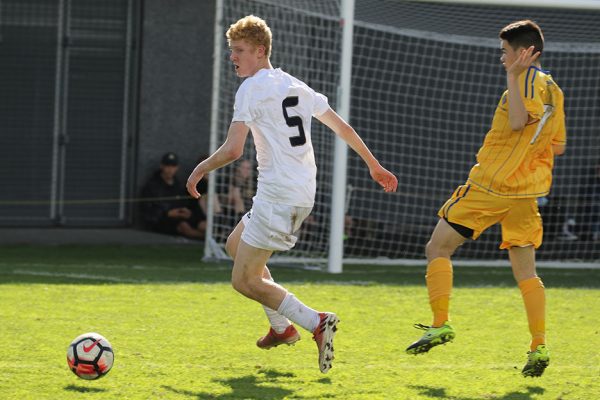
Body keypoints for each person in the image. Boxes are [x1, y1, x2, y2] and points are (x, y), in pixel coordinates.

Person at [186, 15, 397, 373]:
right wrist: (374, 164)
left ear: (259, 50)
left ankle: (315, 321)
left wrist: (200, 168)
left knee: (243, 280)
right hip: (299, 194)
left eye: (238, 51)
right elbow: (341, 127)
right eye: (231, 51)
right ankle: (281, 328)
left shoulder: (251, 88)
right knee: (235, 246)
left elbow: (234, 149)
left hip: (278, 196)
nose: (232, 58)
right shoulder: (295, 85)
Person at [405, 20, 566, 378]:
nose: (502, 59)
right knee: (526, 272)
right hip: (526, 194)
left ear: (526, 53)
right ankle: (538, 345)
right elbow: (558, 145)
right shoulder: (554, 89)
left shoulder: (522, 79)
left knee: (438, 248)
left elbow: (517, 122)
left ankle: (441, 323)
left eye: (506, 53)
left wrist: (513, 74)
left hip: (490, 187)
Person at [141, 152, 206, 239]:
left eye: (173, 166)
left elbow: (186, 203)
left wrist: (187, 212)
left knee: (201, 225)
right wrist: (167, 214)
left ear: (177, 168)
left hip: (182, 217)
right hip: (162, 221)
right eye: (167, 166)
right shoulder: (152, 186)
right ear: (162, 166)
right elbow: (147, 210)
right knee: (184, 227)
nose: (170, 169)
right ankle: (210, 239)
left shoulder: (178, 185)